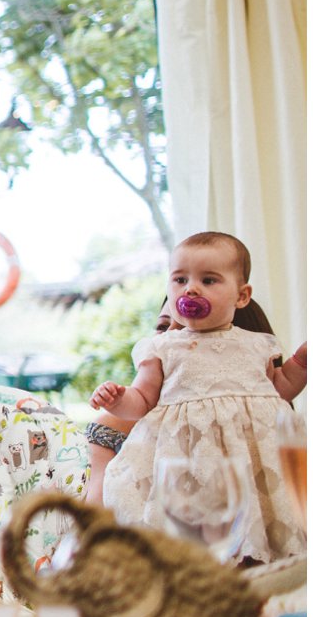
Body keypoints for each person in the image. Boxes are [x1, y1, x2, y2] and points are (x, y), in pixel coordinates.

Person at [91, 231, 307, 561]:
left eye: (208, 280)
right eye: (180, 279)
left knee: (264, 527)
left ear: (242, 296)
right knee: (195, 541)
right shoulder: (162, 348)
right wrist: (118, 399)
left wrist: (300, 365)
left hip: (253, 459)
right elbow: (142, 401)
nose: (191, 289)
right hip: (188, 461)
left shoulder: (256, 345)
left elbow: (279, 389)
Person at [83, 296, 281, 504]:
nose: (168, 338)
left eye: (189, 330)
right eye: (162, 326)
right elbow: (96, 519)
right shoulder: (113, 427)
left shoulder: (266, 433)